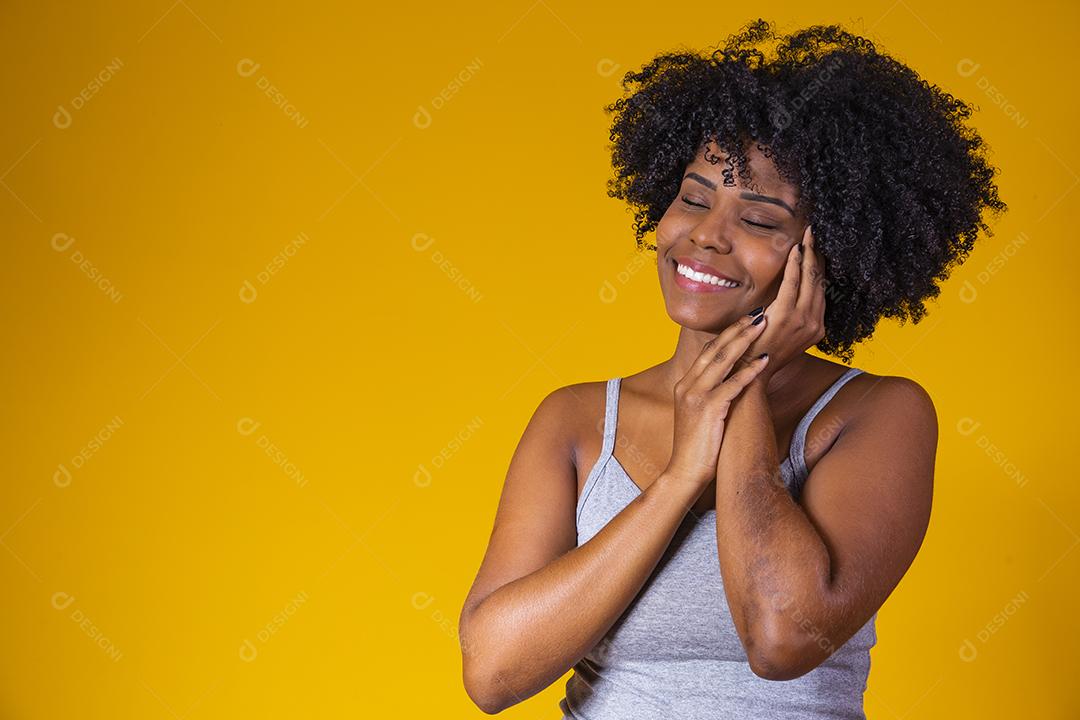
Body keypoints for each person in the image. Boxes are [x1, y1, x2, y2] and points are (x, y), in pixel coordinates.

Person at [458, 18, 1005, 718]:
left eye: (760, 220)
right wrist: (683, 476)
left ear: (828, 253)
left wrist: (743, 378)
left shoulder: (877, 415)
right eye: (693, 197)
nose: (706, 234)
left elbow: (781, 639)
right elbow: (493, 674)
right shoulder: (576, 418)